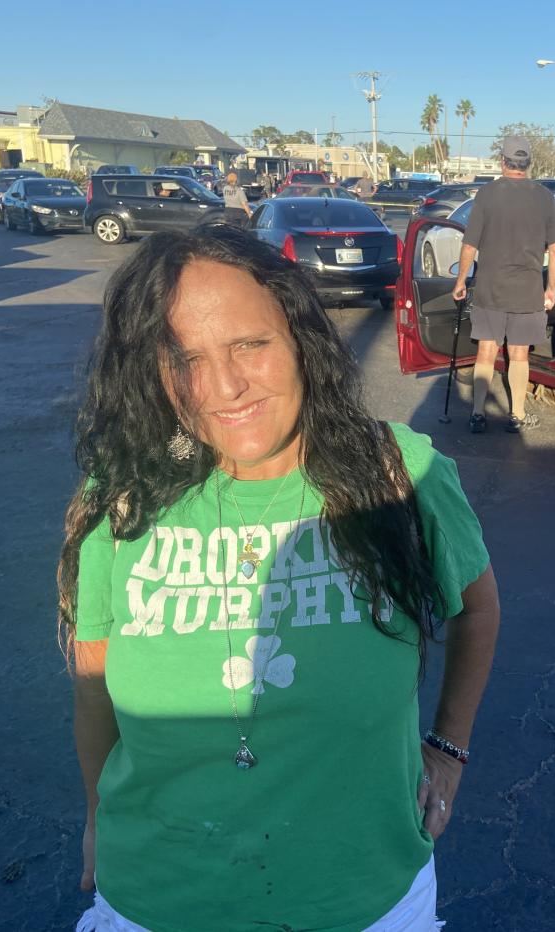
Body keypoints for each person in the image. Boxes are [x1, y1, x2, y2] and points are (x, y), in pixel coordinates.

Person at [61, 226, 500, 932]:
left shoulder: (399, 474)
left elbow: (477, 611)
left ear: (299, 336)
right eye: (186, 358)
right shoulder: (122, 497)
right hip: (155, 900)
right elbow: (94, 687)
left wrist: (448, 752)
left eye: (250, 345)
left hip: (365, 900)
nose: (223, 388)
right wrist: (93, 818)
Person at [452, 135, 555, 433]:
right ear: (528, 164)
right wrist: (551, 288)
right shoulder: (545, 197)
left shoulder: (486, 195)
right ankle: (517, 414)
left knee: (486, 351)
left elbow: (469, 245)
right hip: (527, 291)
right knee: (519, 354)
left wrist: (460, 280)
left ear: (503, 162)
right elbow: (554, 250)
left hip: (490, 288)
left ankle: (477, 414)